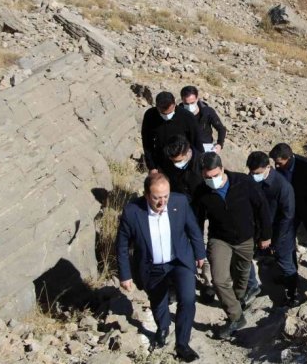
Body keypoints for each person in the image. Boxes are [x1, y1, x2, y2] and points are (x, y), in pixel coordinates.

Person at [116, 173, 205, 362]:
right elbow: (122, 245)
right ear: (147, 195)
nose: (162, 202)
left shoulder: (179, 202)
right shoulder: (132, 211)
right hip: (151, 265)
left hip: (179, 260)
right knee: (158, 301)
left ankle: (182, 344)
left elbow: (193, 229)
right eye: (157, 198)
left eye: (166, 196)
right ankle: (163, 328)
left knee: (188, 299)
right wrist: (125, 274)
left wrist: (200, 254)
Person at [192, 153, 272, 339]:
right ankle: (236, 317)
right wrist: (198, 250)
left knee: (242, 275)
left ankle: (238, 300)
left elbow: (262, 207)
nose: (212, 180)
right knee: (219, 279)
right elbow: (197, 222)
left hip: (245, 239)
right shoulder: (201, 192)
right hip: (219, 240)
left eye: (215, 175)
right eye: (207, 177)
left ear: (222, 168)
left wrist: (266, 235)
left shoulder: (243, 182)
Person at [163, 135, 215, 303]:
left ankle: (208, 282)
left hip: (202, 211)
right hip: (180, 210)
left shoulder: (203, 162)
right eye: (173, 161)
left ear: (187, 153)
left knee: (204, 244)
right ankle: (181, 281)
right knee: (180, 245)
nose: (176, 164)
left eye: (178, 160)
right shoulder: (169, 164)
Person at [245, 151, 298, 306]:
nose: (254, 176)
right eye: (252, 173)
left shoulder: (282, 187)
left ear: (268, 167)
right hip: (261, 230)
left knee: (286, 264)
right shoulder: (253, 180)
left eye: (258, 173)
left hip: (281, 233)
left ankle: (293, 294)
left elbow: (287, 217)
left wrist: (275, 242)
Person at [141, 91, 200, 175]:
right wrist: (152, 167)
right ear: (157, 107)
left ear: (174, 104)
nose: (167, 116)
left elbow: (196, 141)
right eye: (163, 113)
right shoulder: (150, 115)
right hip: (162, 162)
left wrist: (197, 164)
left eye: (170, 112)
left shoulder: (187, 117)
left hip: (184, 160)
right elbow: (147, 142)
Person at [269, 143, 307, 235]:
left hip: (306, 207)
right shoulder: (279, 168)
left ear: (289, 158)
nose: (277, 166)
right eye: (275, 163)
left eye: (279, 163)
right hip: (287, 208)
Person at [180, 85, 228, 154]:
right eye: (186, 104)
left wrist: (219, 144)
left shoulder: (207, 112)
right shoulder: (178, 113)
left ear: (197, 99)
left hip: (206, 148)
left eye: (192, 103)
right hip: (187, 149)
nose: (189, 106)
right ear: (182, 100)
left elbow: (221, 128)